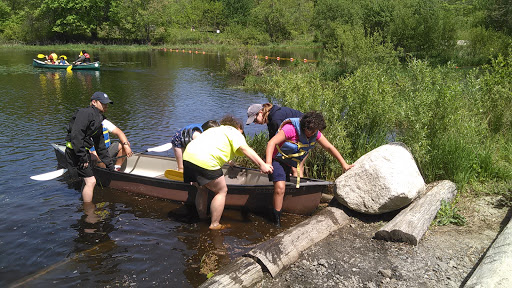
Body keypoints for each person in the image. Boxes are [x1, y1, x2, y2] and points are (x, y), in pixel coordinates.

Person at [183, 115, 273, 230]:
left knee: (202, 188)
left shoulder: (215, 130)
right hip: (205, 160)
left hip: (188, 156)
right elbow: (245, 149)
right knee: (221, 191)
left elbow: (216, 148)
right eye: (242, 132)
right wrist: (262, 164)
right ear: (237, 127)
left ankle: (202, 217)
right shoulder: (234, 132)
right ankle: (215, 224)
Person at [265, 111, 354, 226]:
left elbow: (329, 147)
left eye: (315, 131)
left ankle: (278, 205)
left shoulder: (315, 133)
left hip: (289, 161)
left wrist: (344, 164)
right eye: (310, 131)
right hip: (275, 159)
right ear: (304, 127)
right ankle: (276, 222)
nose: (312, 134)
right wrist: (268, 163)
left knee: (286, 187)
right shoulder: (290, 129)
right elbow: (271, 143)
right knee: (280, 188)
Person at [65, 91, 115, 203]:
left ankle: (84, 201)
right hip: (74, 151)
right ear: (94, 102)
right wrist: (83, 157)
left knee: (87, 180)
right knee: (91, 181)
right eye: (103, 103)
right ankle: (89, 212)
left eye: (107, 103)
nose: (106, 105)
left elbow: (100, 144)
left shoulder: (98, 118)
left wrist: (109, 164)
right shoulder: (85, 113)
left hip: (81, 151)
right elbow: (76, 136)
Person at [246, 103, 305, 176]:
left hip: (304, 133)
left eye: (255, 120)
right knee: (293, 166)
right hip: (297, 136)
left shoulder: (275, 119)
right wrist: (266, 157)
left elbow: (279, 141)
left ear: (261, 112)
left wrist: (269, 162)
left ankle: (298, 186)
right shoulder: (270, 117)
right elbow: (272, 138)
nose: (255, 123)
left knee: (295, 167)